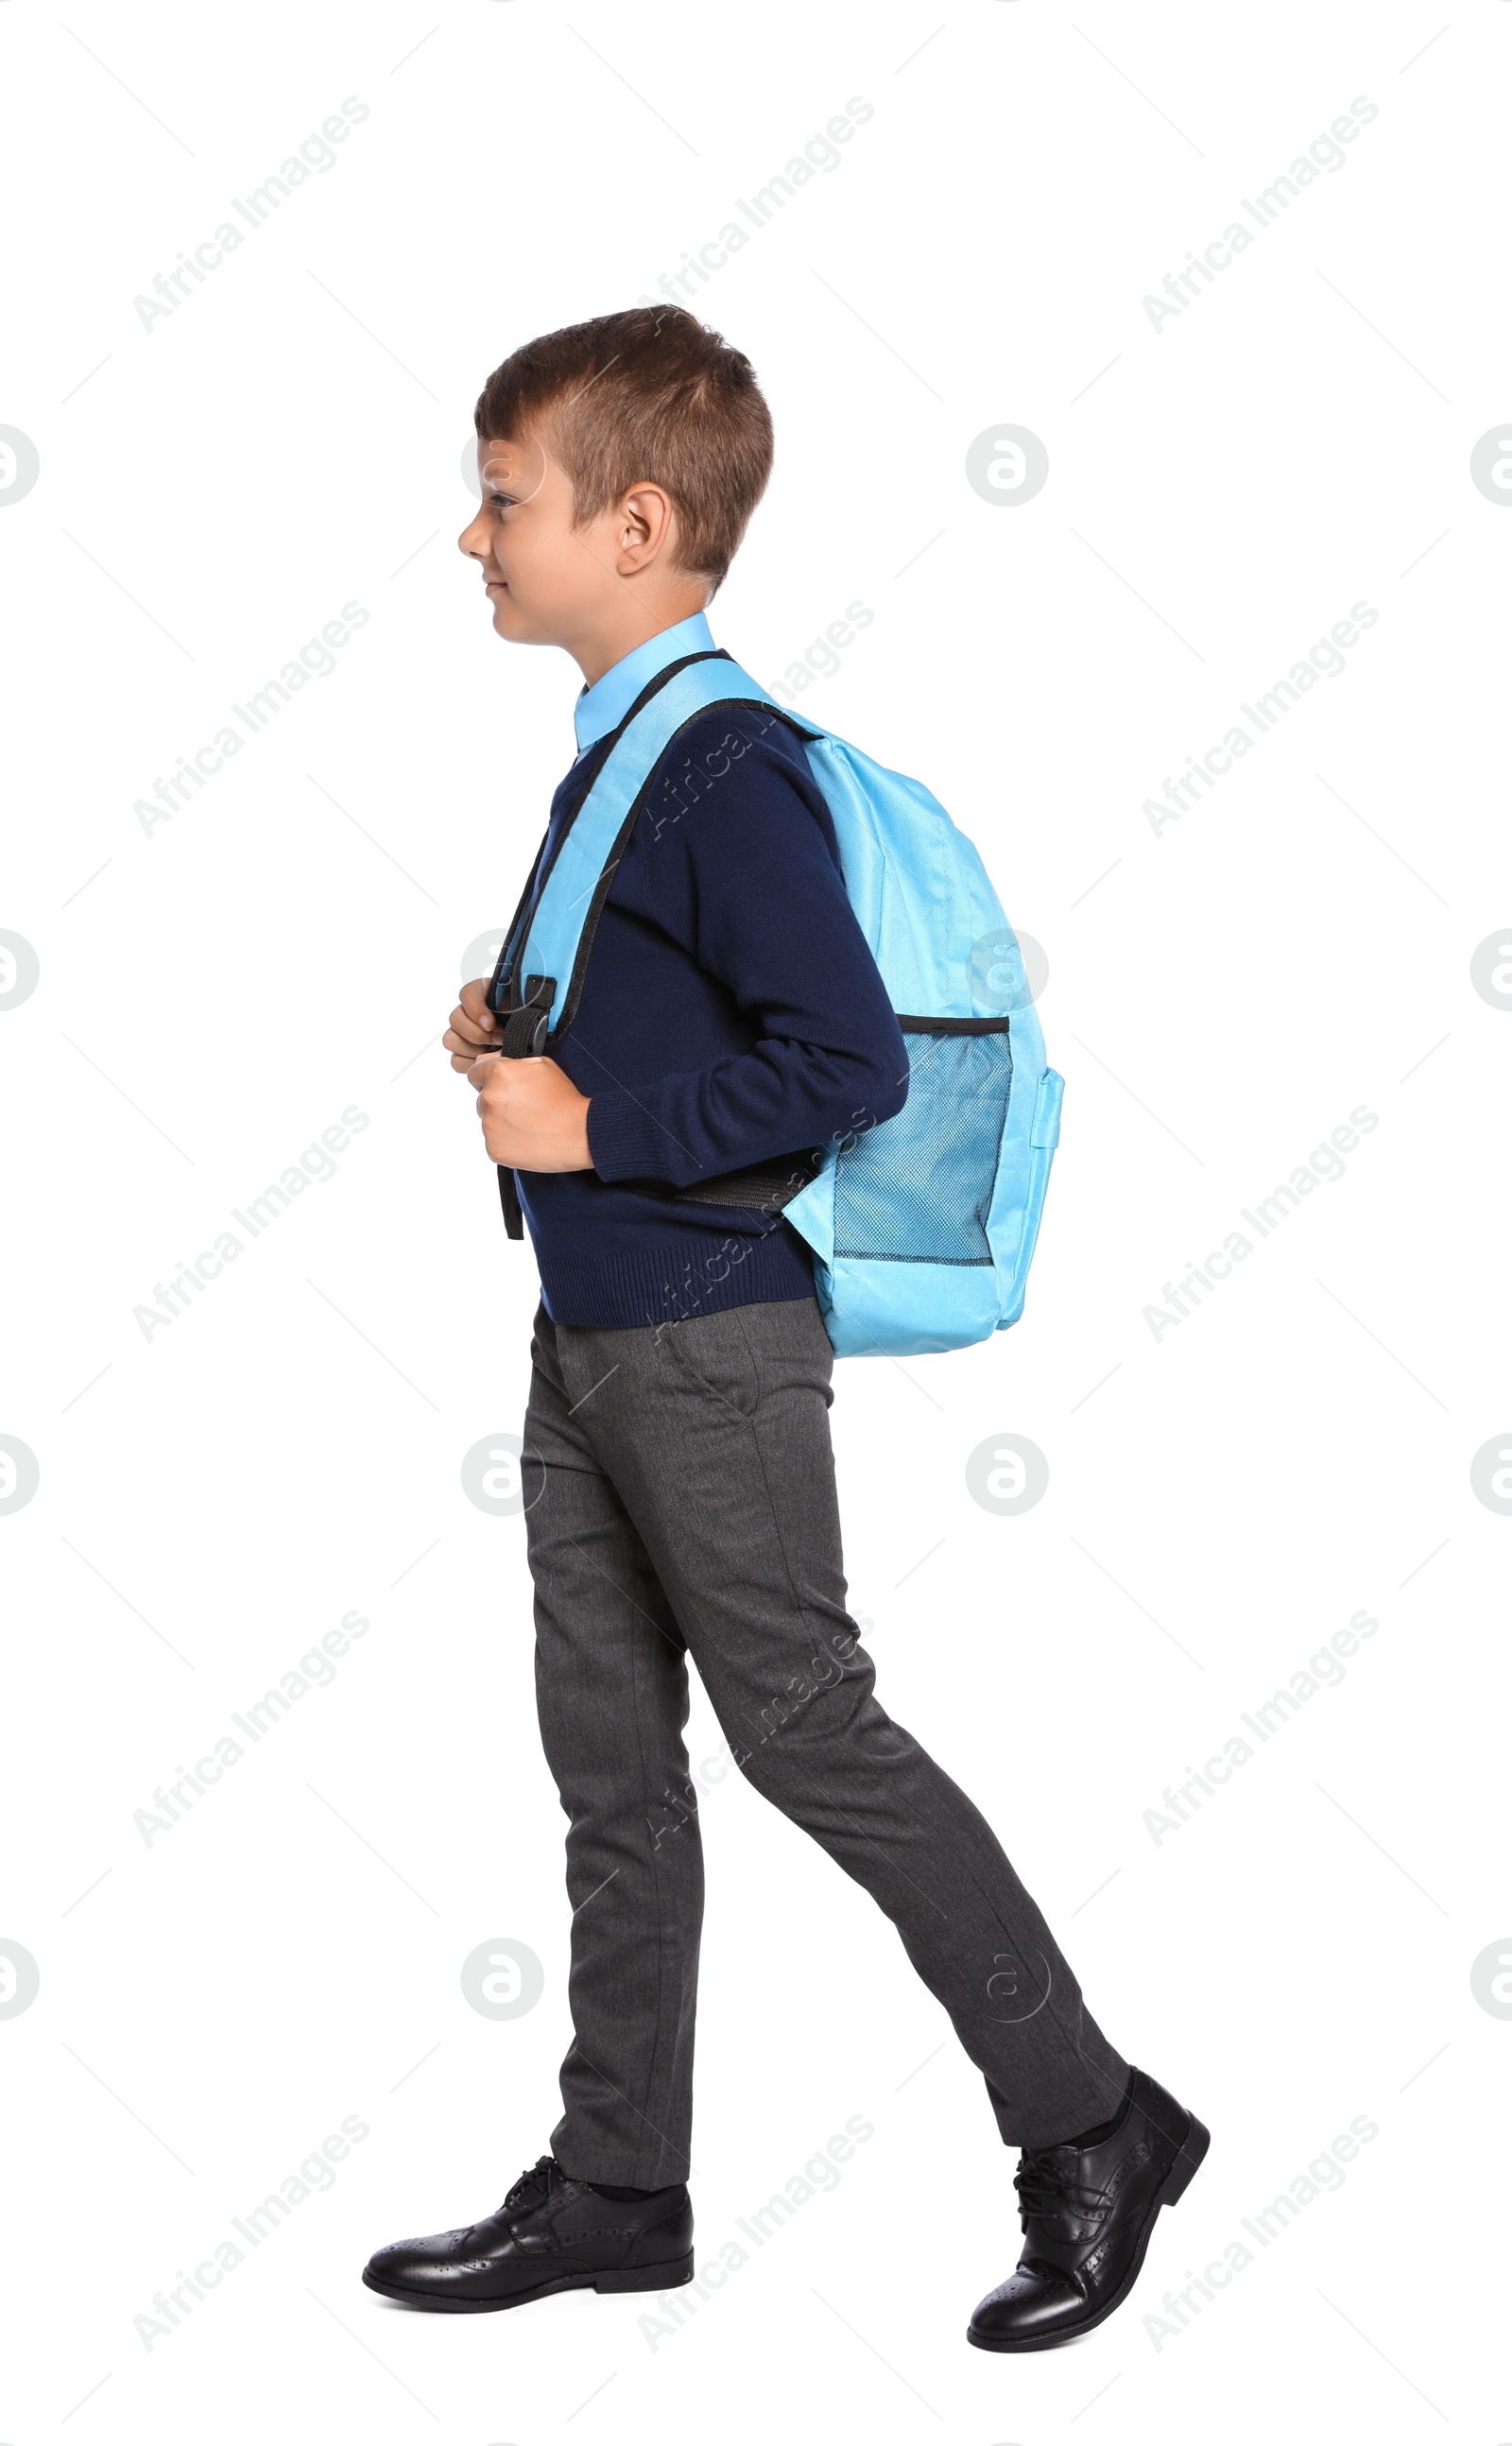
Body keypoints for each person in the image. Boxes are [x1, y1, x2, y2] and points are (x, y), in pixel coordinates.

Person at [361, 307, 1207, 2351]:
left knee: (804, 1731)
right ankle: (617, 2184)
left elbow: (838, 1062)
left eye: (500, 501)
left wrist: (590, 1119)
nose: (467, 540)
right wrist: (524, 1038)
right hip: (591, 1337)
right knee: (610, 1776)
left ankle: (1091, 2119)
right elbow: (688, 1020)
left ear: (633, 521)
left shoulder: (718, 766)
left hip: (708, 1342)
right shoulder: (622, 757)